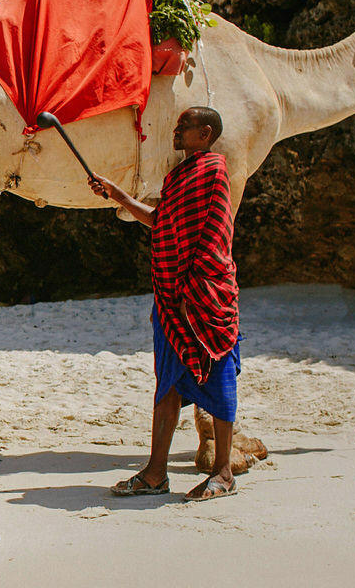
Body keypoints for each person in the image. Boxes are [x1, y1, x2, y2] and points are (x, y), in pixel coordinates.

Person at [89, 107, 241, 502]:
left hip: (204, 296)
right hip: (172, 296)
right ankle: (156, 473)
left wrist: (195, 283)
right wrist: (118, 195)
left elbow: (215, 234)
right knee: (168, 383)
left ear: (205, 133)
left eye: (183, 126)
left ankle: (223, 472)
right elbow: (162, 221)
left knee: (219, 377)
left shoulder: (215, 172)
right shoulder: (178, 176)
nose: (175, 131)